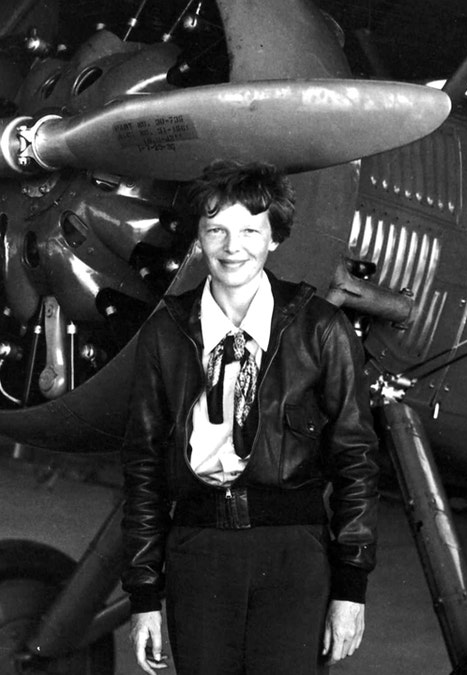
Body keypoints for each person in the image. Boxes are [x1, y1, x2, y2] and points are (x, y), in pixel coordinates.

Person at [120, 159, 380, 674]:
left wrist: (351, 587)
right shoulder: (165, 333)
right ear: (199, 236)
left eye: (249, 230)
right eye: (216, 229)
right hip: (198, 550)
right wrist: (144, 594)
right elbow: (144, 468)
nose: (231, 246)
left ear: (275, 238)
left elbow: (356, 460)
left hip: (294, 553)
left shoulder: (321, 328)